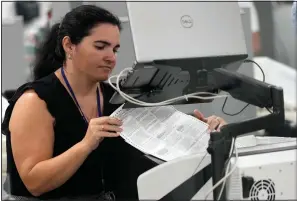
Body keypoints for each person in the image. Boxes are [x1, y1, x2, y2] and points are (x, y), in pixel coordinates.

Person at [1, 5, 227, 200]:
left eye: (115, 49)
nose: (111, 57)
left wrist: (198, 129)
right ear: (69, 46)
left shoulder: (116, 96)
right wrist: (86, 144)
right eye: (100, 47)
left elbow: (156, 141)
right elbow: (34, 182)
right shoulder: (35, 101)